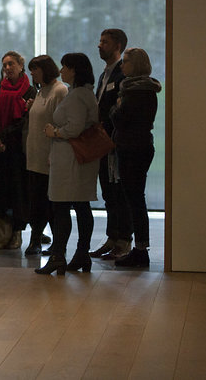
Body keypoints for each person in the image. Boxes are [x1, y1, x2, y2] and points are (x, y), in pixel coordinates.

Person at [37, 53, 101, 275]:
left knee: (61, 206)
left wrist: (53, 131)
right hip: (75, 157)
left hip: (70, 158)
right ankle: (81, 254)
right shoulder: (82, 93)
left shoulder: (77, 96)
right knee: (81, 205)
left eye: (64, 66)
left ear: (74, 70)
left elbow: (74, 127)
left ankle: (58, 256)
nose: (61, 70)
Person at [0, 51, 36, 250]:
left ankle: (17, 232)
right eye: (4, 65)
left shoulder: (29, 91)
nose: (7, 68)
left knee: (17, 192)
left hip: (16, 149)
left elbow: (24, 120)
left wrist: (4, 137)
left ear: (21, 65)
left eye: (11, 64)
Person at [110, 47, 161, 268]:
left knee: (135, 199)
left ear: (137, 64)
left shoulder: (135, 91)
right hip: (139, 146)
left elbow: (119, 118)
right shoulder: (144, 89)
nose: (122, 65)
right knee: (135, 198)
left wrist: (115, 108)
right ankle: (140, 247)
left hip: (132, 148)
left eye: (126, 61)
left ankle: (140, 250)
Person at [90, 28, 131, 261]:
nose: (99, 45)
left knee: (119, 193)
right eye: (99, 41)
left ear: (117, 46)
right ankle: (112, 237)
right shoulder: (104, 74)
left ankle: (124, 240)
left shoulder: (123, 74)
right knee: (108, 192)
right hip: (102, 143)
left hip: (116, 143)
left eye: (104, 42)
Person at [23, 55, 67, 256]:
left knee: (50, 203)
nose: (32, 73)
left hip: (49, 156)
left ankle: (57, 244)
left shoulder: (59, 91)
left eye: (35, 69)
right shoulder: (41, 91)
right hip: (35, 155)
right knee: (36, 200)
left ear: (46, 70)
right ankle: (36, 238)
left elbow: (61, 123)